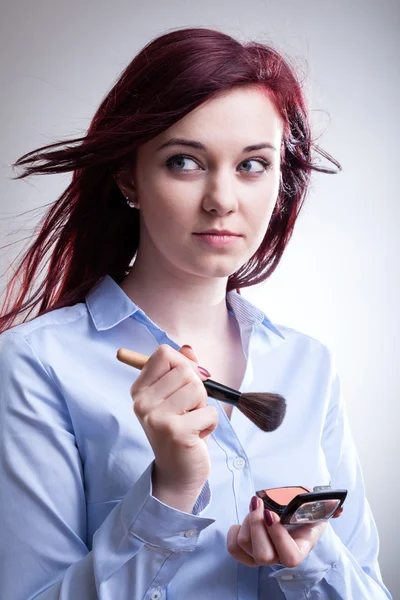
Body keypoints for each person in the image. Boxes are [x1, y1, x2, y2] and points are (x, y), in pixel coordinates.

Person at [0, 26, 392, 600]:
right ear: (129, 175)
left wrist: (308, 560)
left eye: (253, 165)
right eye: (185, 161)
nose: (223, 199)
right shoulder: (36, 364)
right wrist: (169, 492)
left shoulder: (307, 366)